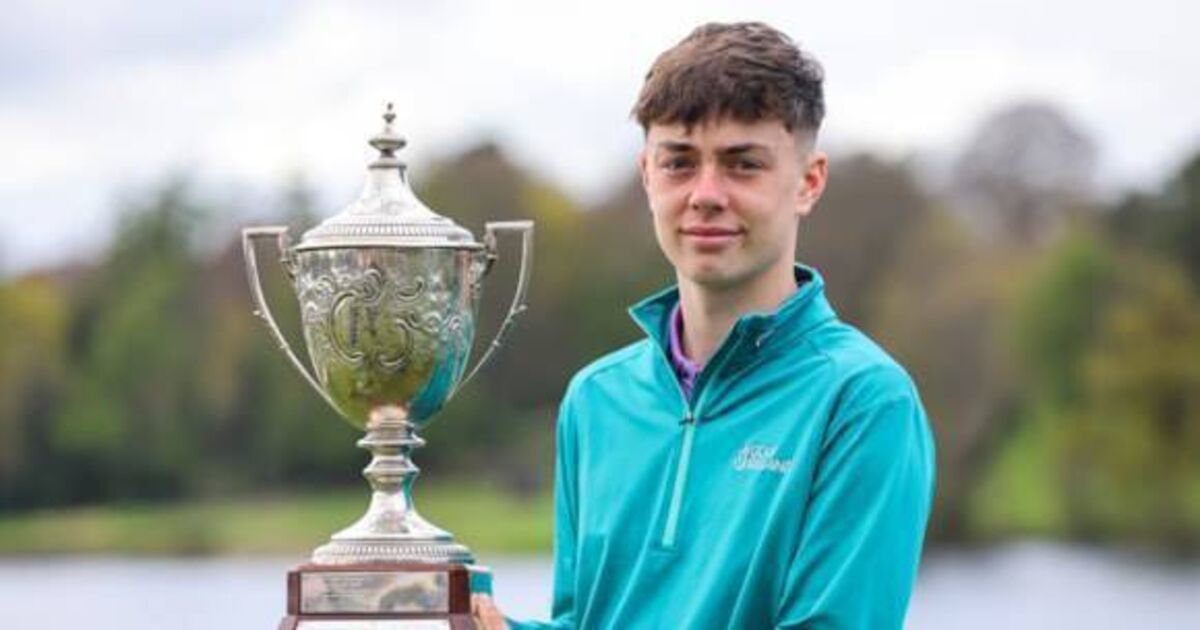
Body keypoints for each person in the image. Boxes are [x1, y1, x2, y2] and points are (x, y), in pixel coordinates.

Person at [473, 21, 936, 629]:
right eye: (679, 163)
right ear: (647, 175)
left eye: (743, 165)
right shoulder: (595, 399)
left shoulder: (864, 400)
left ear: (808, 181)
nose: (706, 194)